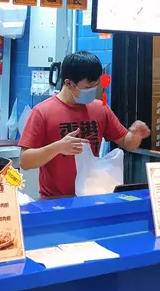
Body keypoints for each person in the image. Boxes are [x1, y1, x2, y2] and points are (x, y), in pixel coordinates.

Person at [19, 51, 150, 198]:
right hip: (55, 201)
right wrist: (57, 147)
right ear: (68, 83)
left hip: (93, 197)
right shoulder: (42, 112)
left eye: (96, 86)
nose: (92, 91)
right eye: (88, 88)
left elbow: (127, 143)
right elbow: (25, 161)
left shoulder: (100, 109)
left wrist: (136, 135)